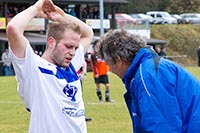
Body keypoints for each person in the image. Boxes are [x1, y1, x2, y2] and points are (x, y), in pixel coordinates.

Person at [6, 0, 93, 132]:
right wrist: (37, 7)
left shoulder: (70, 64)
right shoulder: (33, 68)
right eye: (69, 46)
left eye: (75, 48)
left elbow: (88, 33)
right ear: (51, 42)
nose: (73, 52)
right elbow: (13, 29)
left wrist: (62, 16)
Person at [98, 29, 200, 133]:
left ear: (118, 60)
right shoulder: (150, 68)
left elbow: (162, 126)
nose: (110, 69)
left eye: (108, 64)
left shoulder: (148, 76)